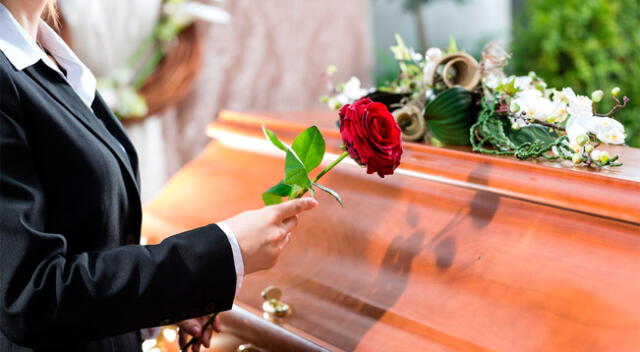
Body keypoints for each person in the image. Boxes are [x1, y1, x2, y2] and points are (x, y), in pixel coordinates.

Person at [0, 0, 318, 351]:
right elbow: (29, 298)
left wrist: (159, 302)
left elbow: (85, 243)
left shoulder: (48, 57)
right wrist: (223, 252)